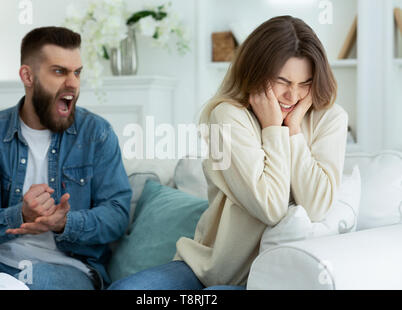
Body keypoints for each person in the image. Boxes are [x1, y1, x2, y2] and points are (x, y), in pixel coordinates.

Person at [108, 15, 348, 290]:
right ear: (256, 74)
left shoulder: (330, 119)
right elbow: (271, 206)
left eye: (304, 83)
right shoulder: (229, 117)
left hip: (273, 279)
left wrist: (291, 130)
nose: (292, 97)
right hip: (210, 271)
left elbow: (316, 207)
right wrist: (273, 128)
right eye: (282, 81)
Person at [0, 26, 132, 290]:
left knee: (38, 281)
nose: (72, 83)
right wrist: (20, 216)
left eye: (77, 72)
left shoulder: (97, 133)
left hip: (66, 266)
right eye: (59, 71)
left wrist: (65, 224)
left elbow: (117, 215)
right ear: (28, 75)